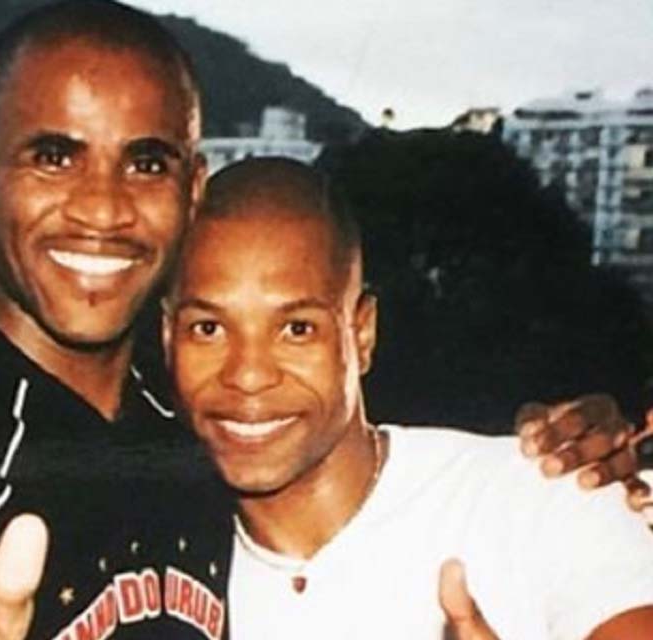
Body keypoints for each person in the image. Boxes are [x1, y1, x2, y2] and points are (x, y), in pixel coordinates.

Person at [0, 2, 642, 639]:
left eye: (144, 163)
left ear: (192, 189)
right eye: (55, 156)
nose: (102, 208)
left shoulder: (205, 419)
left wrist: (582, 449)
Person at [161, 157, 653, 639]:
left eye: (297, 329)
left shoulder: (542, 496)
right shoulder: (158, 563)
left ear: (362, 334)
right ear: (167, 338)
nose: (248, 375)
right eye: (208, 328)